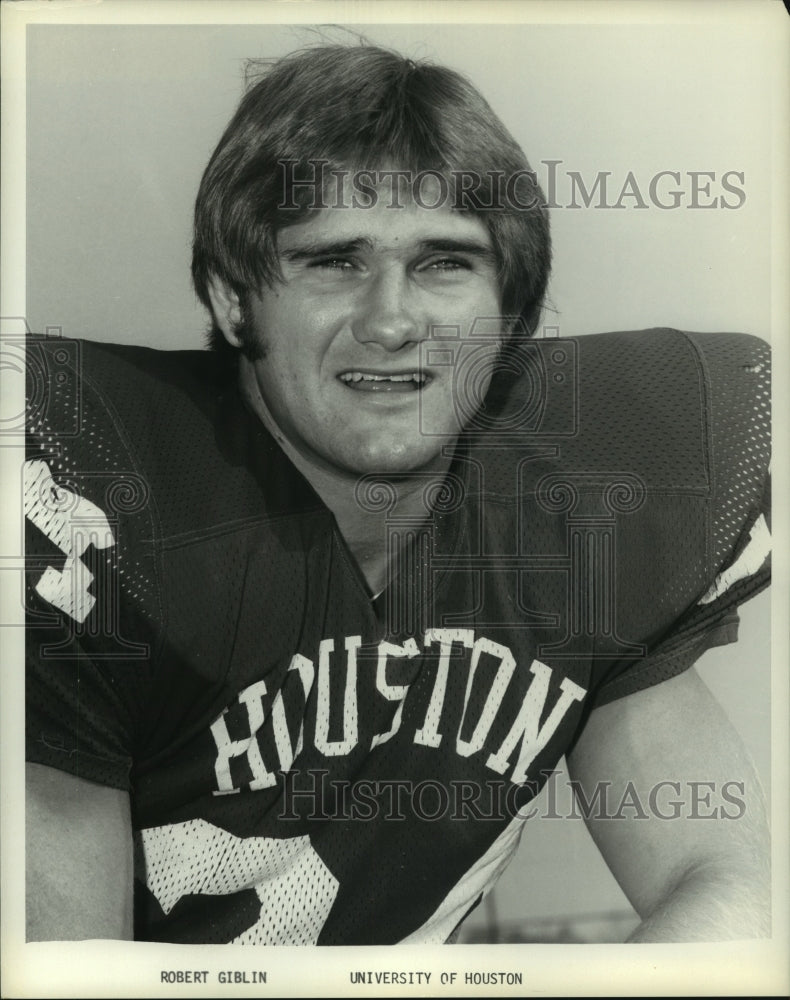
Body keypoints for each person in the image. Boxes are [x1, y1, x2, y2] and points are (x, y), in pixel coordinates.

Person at [25, 42, 771, 946]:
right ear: (232, 300)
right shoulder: (94, 503)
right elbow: (62, 971)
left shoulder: (581, 511)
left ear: (516, 310)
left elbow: (727, 885)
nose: (389, 320)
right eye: (333, 262)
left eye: (444, 263)